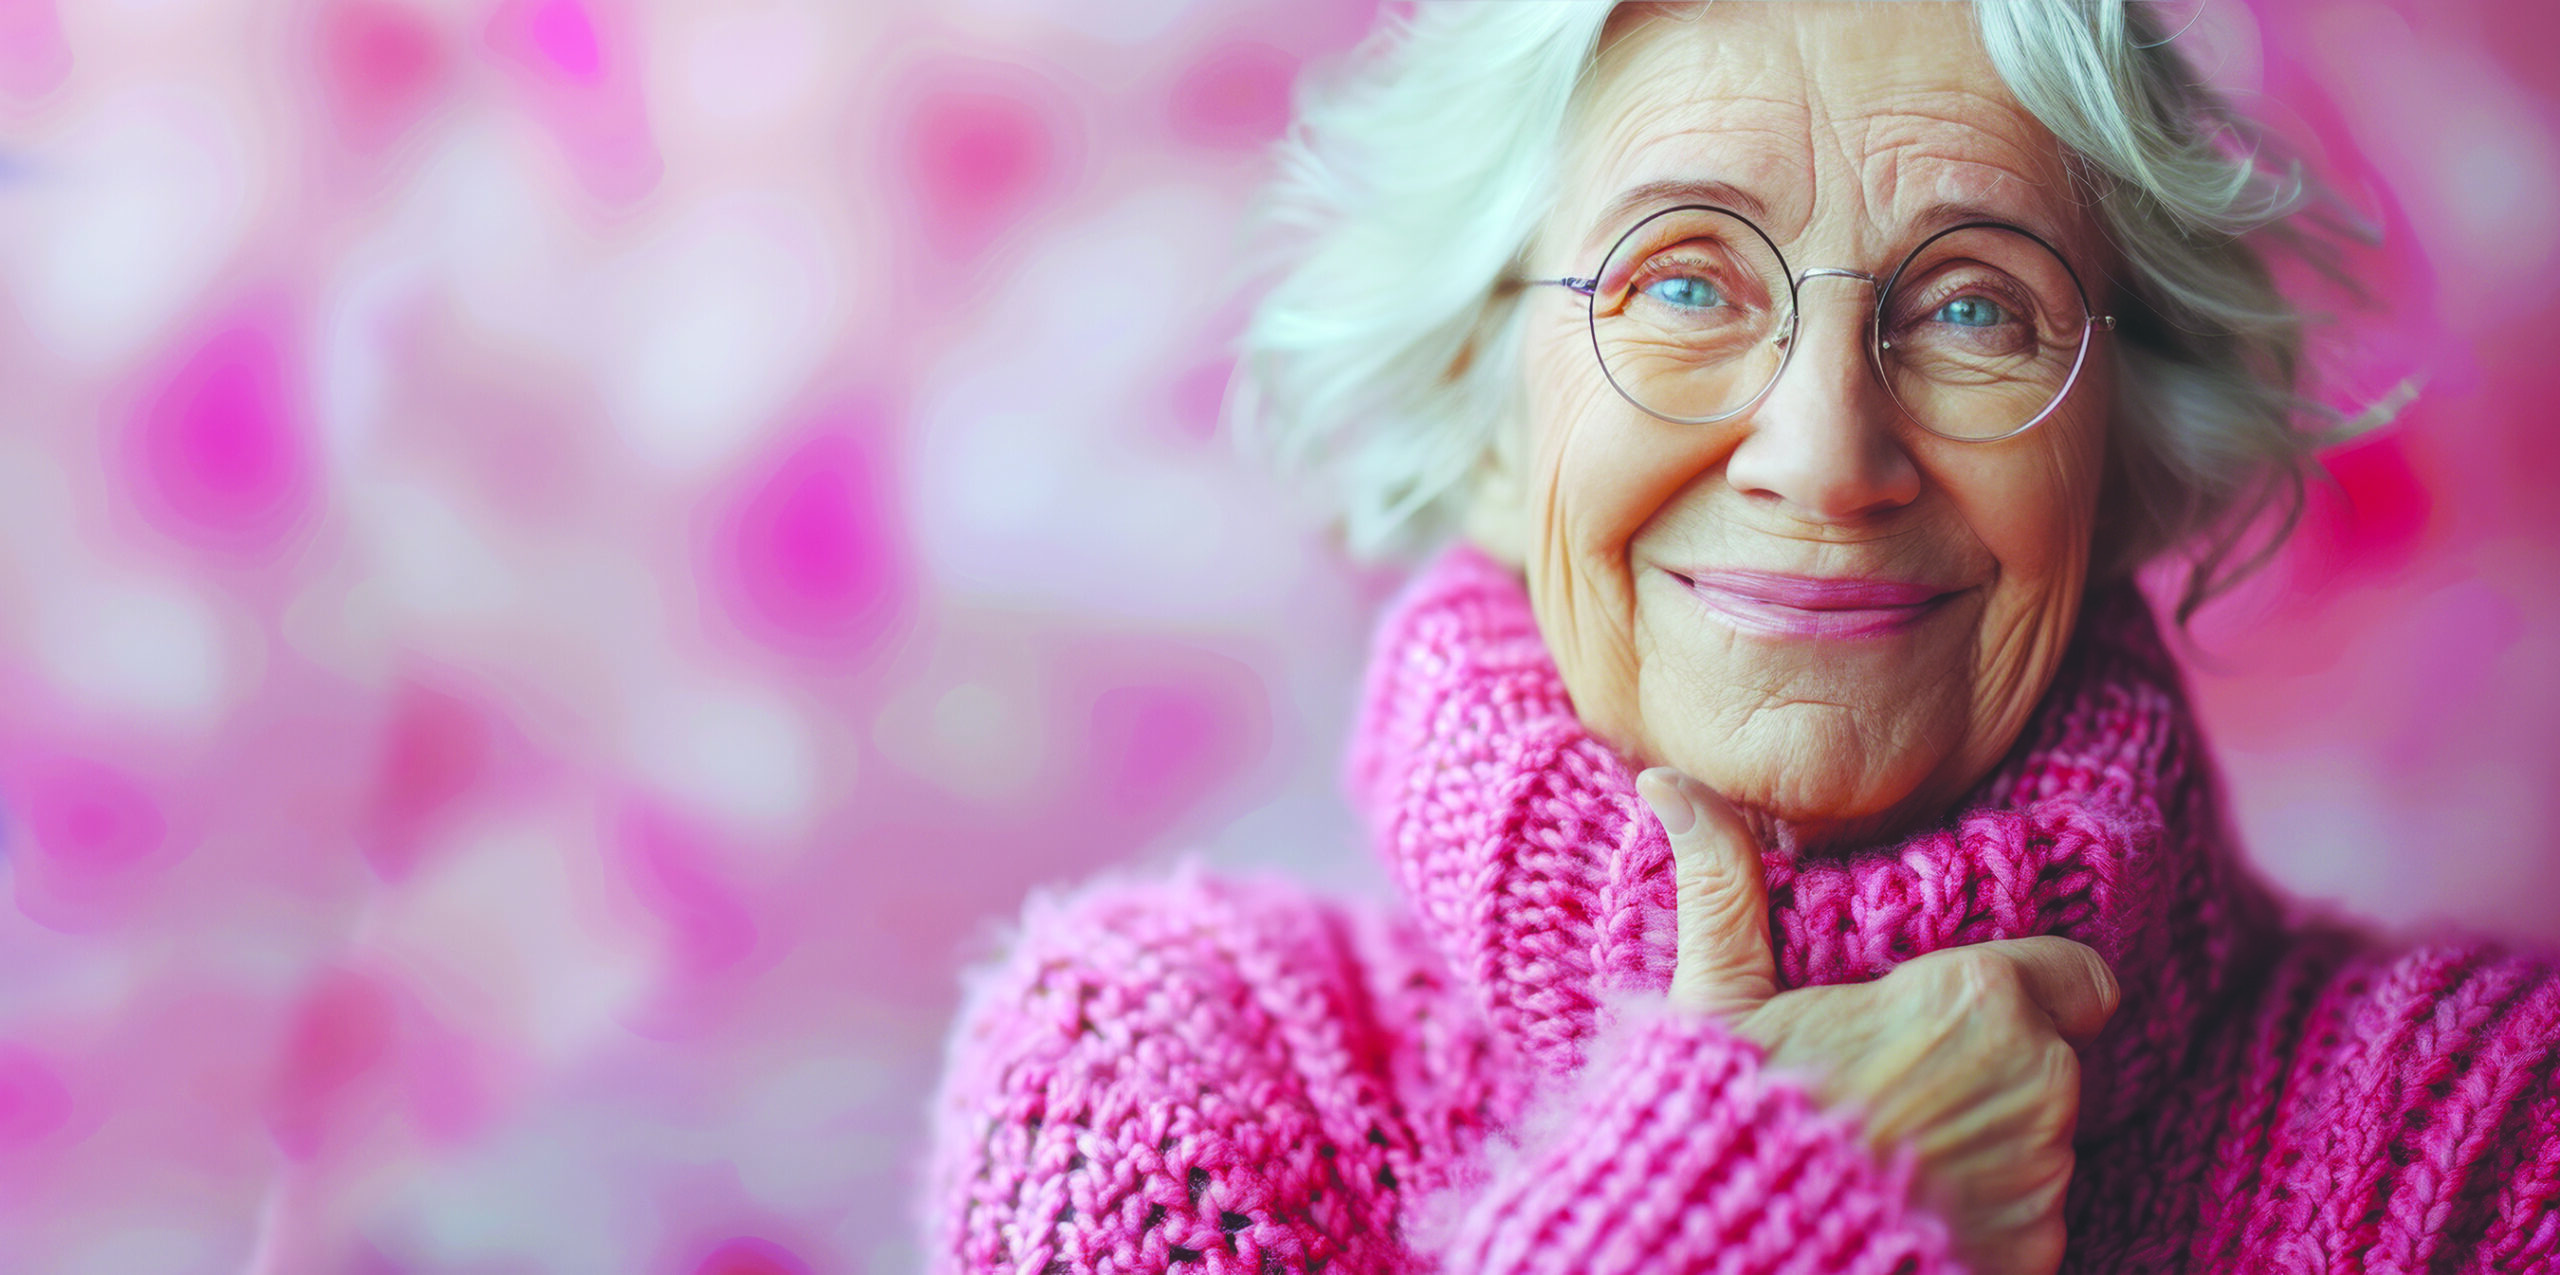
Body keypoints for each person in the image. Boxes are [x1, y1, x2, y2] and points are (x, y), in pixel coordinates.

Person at [920, 3, 2560, 1272]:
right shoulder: (1151, 1073)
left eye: (1976, 304)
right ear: (1487, 406)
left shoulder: (2481, 1138)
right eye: (1685, 283)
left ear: (2121, 456)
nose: (1827, 454)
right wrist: (1755, 1207)